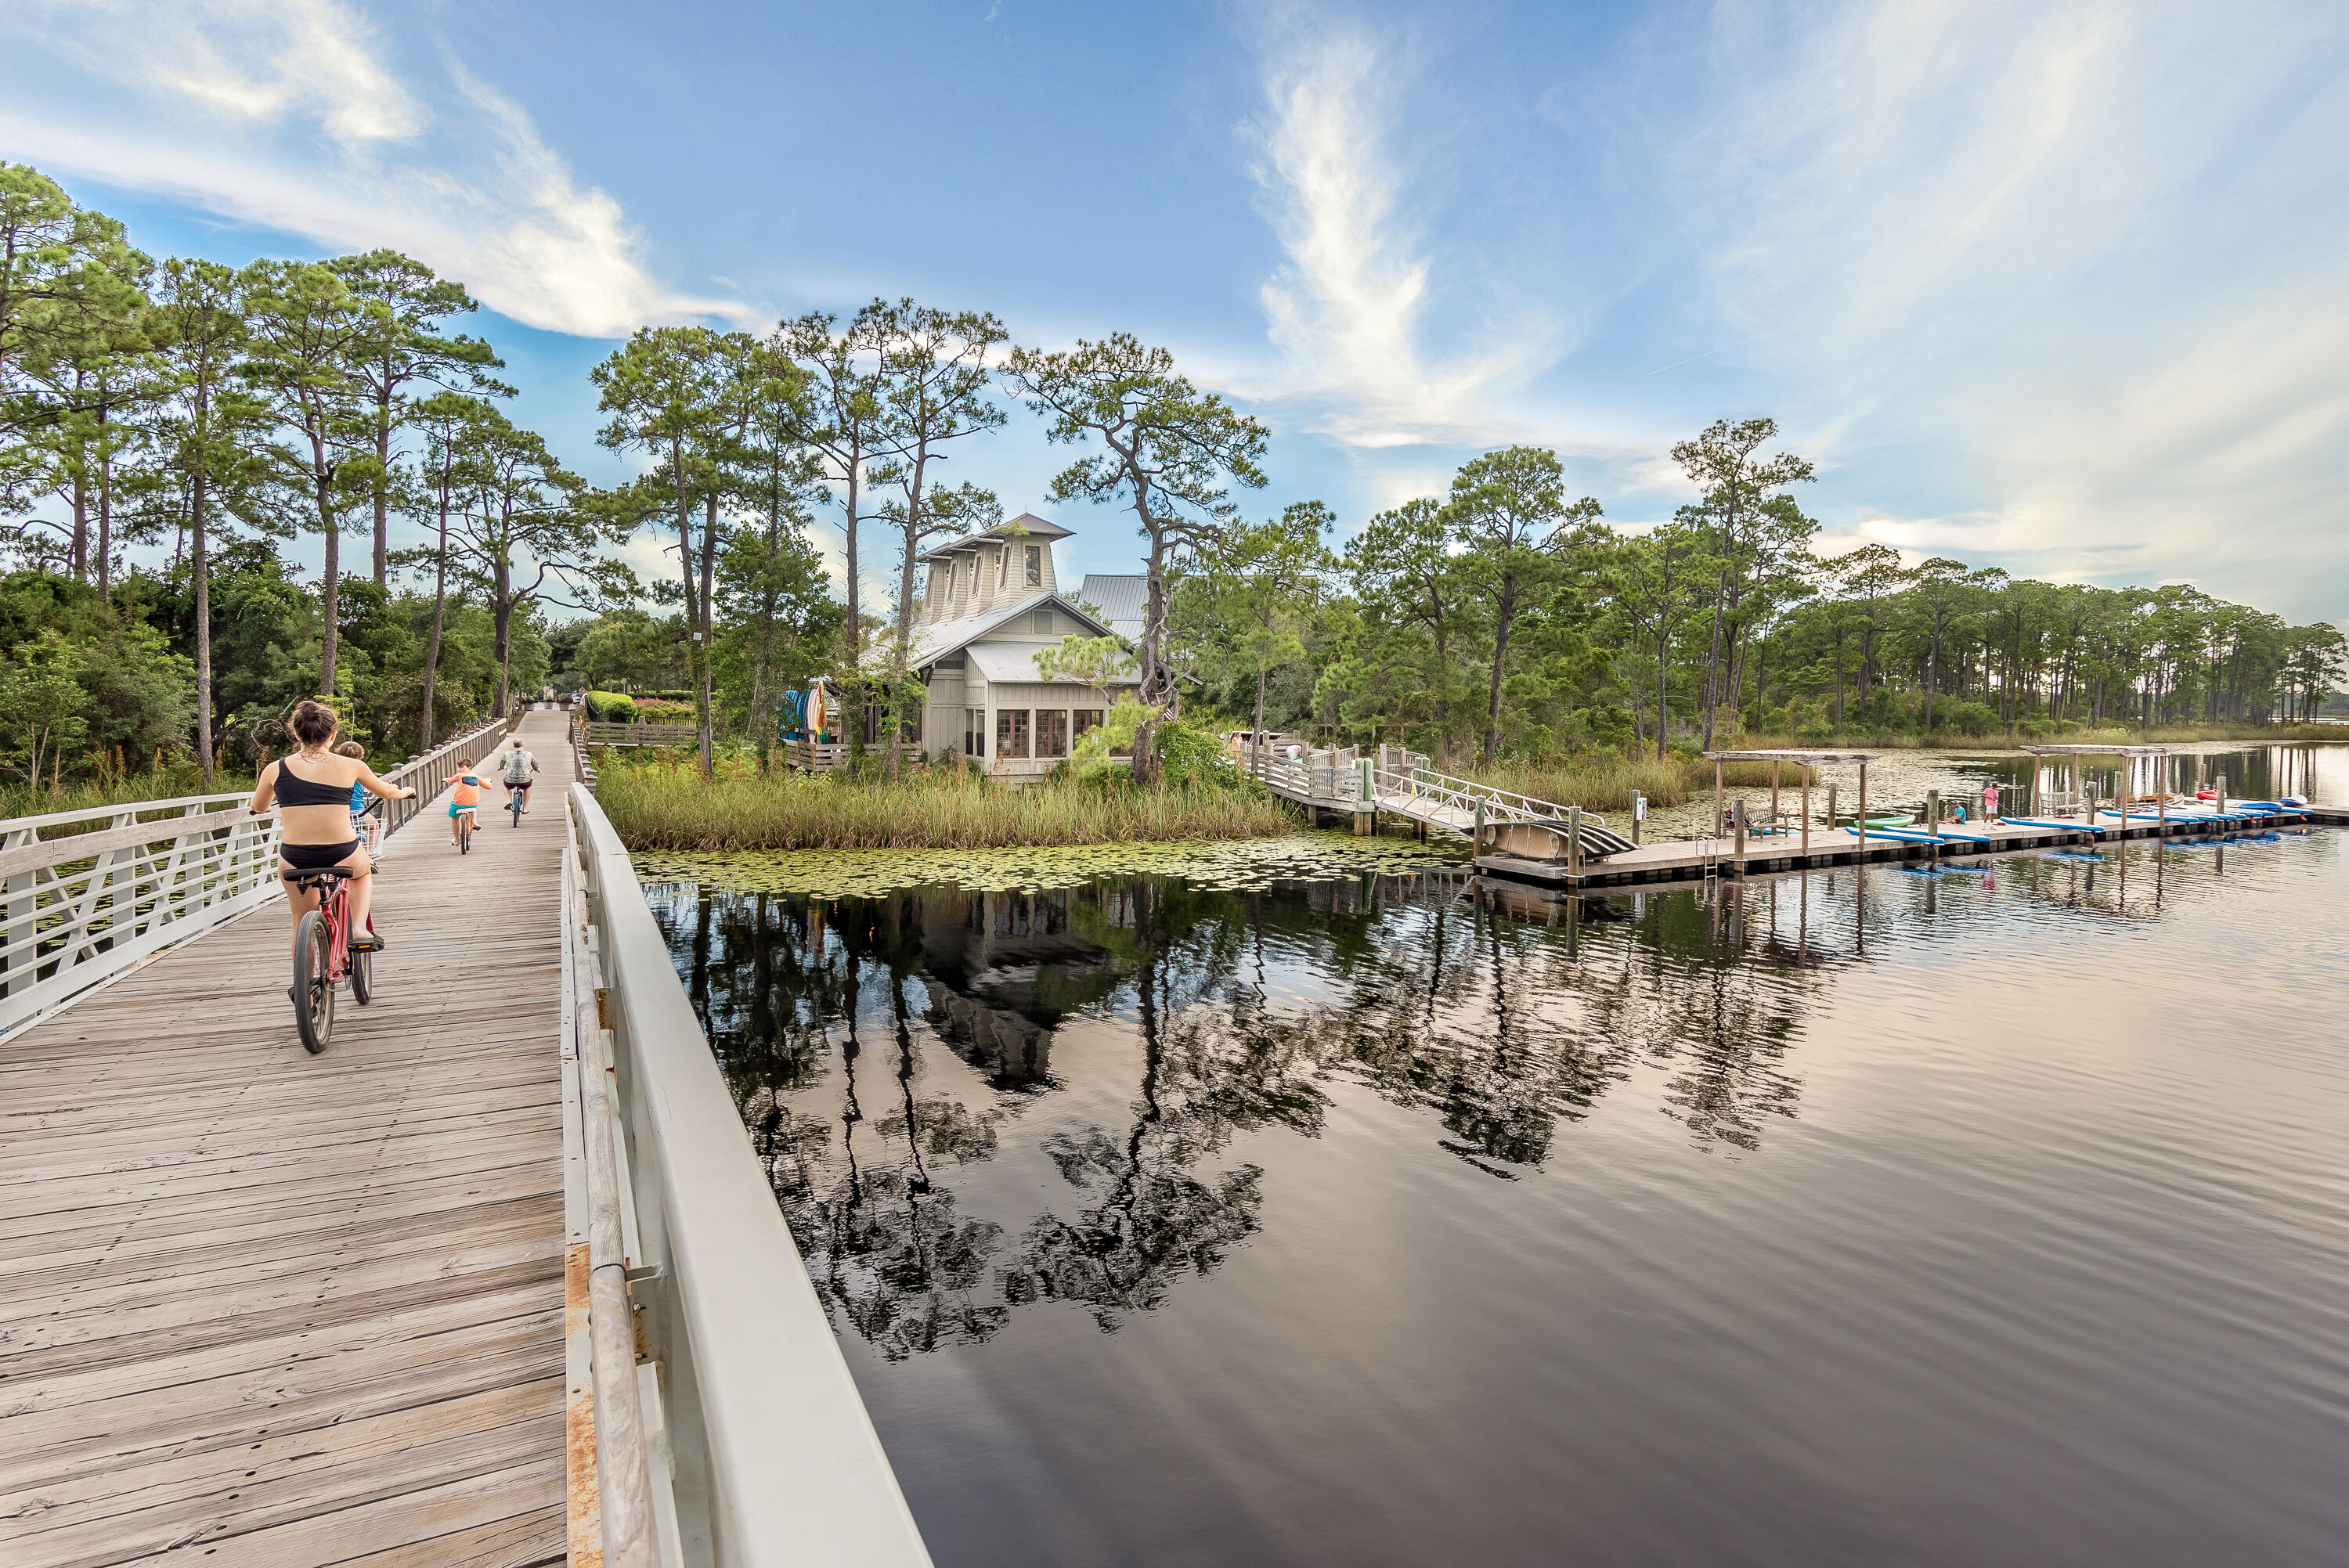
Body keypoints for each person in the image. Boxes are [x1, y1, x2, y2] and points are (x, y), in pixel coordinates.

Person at [250, 701, 413, 968]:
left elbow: (258, 807)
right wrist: (404, 792)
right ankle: (359, 928)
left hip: (295, 856)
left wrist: (266, 806)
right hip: (341, 850)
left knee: (300, 921)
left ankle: (307, 991)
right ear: (333, 734)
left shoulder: (274, 769)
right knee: (362, 872)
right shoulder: (351, 765)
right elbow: (386, 791)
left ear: (296, 734)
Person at [336, 740, 383, 856]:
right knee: (374, 826)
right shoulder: (360, 769)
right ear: (360, 757)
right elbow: (377, 787)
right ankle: (369, 853)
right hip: (357, 813)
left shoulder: (335, 770)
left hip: (338, 813)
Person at [445, 759, 488, 845]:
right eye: (459, 767)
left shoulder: (459, 775)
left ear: (469, 767)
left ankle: (457, 840)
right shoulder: (477, 777)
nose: (459, 769)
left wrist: (445, 780)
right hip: (472, 803)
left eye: (461, 767)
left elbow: (450, 780)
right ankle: (474, 822)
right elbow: (488, 787)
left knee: (455, 817)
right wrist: (487, 781)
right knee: (473, 808)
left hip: (458, 804)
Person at [498, 734, 540, 815]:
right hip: (525, 780)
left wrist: (501, 767)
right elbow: (535, 765)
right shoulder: (529, 754)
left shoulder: (507, 753)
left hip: (510, 780)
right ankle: (524, 808)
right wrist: (537, 769)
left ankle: (509, 801)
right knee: (527, 788)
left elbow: (502, 763)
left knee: (506, 786)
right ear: (523, 746)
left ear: (513, 746)